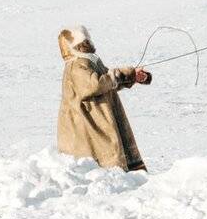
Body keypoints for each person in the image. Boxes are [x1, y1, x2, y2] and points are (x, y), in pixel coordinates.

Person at [57, 25, 151, 172]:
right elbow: (95, 85)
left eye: (87, 40)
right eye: (83, 41)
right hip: (88, 125)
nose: (87, 44)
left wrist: (132, 75)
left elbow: (108, 81)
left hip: (102, 119)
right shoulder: (76, 65)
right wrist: (118, 75)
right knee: (102, 164)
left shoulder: (90, 61)